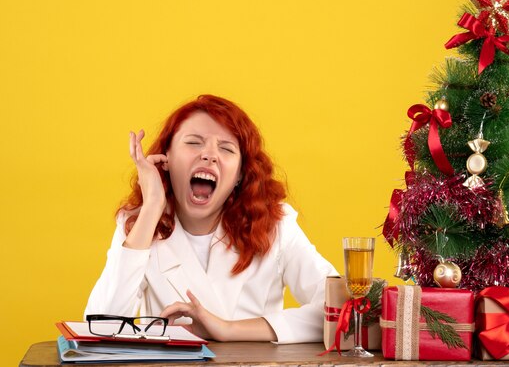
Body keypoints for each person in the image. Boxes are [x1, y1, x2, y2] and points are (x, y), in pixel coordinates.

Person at [85, 95, 338, 343]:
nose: (209, 155)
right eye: (194, 143)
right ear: (167, 160)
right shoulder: (139, 224)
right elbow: (101, 327)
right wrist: (151, 207)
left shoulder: (275, 225)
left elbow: (339, 310)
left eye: (226, 148)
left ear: (240, 174)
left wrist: (227, 330)